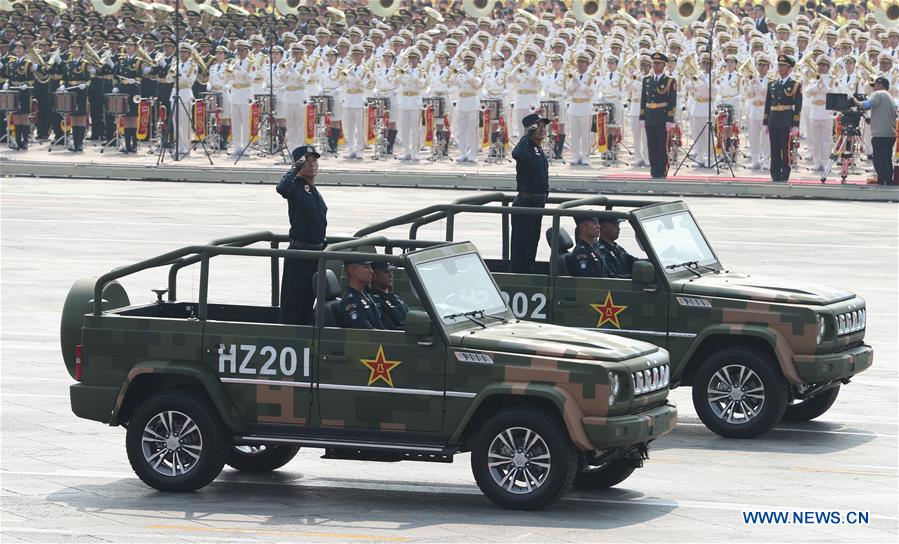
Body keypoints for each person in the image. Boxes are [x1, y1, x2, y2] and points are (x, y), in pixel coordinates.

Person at [277, 145, 327, 325]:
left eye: (315, 160)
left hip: (315, 254)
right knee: (294, 304)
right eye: (307, 161)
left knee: (308, 303)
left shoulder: (313, 190)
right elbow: (281, 188)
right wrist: (295, 168)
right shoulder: (296, 187)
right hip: (300, 253)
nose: (312, 164)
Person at [509, 112, 550, 274]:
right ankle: (518, 276)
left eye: (543, 126)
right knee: (521, 245)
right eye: (537, 126)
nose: (541, 129)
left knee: (532, 244)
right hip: (526, 203)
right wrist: (526, 135)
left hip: (538, 203)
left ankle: (528, 273)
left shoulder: (539, 149)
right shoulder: (526, 146)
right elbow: (516, 154)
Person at [763, 55, 802, 183]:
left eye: (783, 66)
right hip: (773, 119)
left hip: (786, 119)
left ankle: (785, 173)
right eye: (779, 65)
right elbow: (768, 104)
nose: (780, 68)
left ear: (789, 68)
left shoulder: (795, 85)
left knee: (785, 149)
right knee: (774, 148)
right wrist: (765, 122)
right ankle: (774, 173)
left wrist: (796, 124)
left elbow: (798, 106)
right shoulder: (772, 84)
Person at [853, 77, 898, 186]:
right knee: (887, 161)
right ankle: (888, 183)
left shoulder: (879, 94)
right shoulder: (889, 97)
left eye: (875, 85)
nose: (873, 88)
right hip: (890, 135)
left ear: (880, 84)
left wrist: (854, 101)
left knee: (879, 162)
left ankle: (882, 184)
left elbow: (866, 105)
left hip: (880, 135)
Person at [640, 52, 678, 179]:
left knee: (662, 146)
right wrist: (642, 117)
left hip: (662, 117)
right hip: (650, 116)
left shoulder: (669, 81)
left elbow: (672, 102)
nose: (655, 66)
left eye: (658, 64)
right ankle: (654, 169)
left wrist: (670, 119)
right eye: (654, 63)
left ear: (664, 65)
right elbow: (643, 100)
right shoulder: (647, 80)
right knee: (651, 146)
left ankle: (662, 171)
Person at [337, 260, 384, 329]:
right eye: (366, 267)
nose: (371, 271)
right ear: (353, 271)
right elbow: (366, 331)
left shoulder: (365, 295)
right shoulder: (350, 302)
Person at [368, 262, 409, 330]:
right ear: (374, 275)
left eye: (391, 271)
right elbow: (388, 329)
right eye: (386, 272)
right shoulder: (374, 302)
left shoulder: (396, 298)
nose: (391, 275)